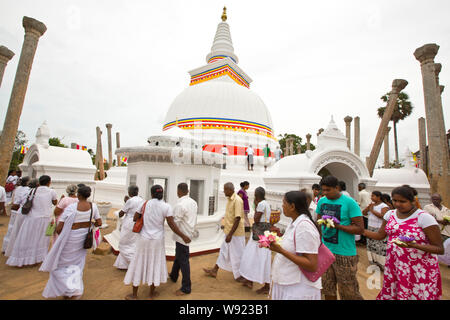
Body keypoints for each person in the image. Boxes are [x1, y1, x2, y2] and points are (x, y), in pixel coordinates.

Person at [363, 186, 443, 300]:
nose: (398, 204)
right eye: (395, 200)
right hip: (394, 266)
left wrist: (414, 245)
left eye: (402, 201)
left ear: (413, 201)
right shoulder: (390, 215)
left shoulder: (424, 218)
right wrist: (361, 231)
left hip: (418, 270)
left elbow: (439, 248)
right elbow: (380, 235)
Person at [124, 185, 190, 300]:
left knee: (138, 263)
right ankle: (151, 294)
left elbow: (135, 218)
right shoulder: (166, 206)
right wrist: (183, 236)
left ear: (152, 194)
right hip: (157, 240)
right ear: (162, 193)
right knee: (155, 264)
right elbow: (172, 224)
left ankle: (134, 295)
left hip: (143, 239)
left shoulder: (144, 204)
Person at [39, 186, 102, 299]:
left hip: (70, 239)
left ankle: (69, 289)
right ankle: (73, 289)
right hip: (83, 239)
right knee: (77, 264)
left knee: (60, 265)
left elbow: (59, 228)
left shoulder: (72, 208)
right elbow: (99, 222)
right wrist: (88, 225)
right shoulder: (94, 207)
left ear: (79, 195)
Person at [316, 176, 364, 300]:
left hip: (345, 253)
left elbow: (359, 228)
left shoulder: (350, 203)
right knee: (327, 288)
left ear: (337, 188)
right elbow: (318, 222)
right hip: (326, 251)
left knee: (349, 291)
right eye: (323, 190)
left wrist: (338, 226)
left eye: (328, 190)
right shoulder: (322, 201)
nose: (325, 193)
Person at [270, 191, 322, 300]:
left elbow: (312, 265)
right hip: (288, 282)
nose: (282, 206)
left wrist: (281, 251)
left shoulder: (304, 227)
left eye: (284, 203)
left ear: (292, 206)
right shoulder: (295, 223)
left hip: (299, 289)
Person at [6, 175, 57, 267]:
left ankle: (23, 258)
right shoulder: (52, 191)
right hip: (45, 218)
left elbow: (22, 202)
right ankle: (39, 258)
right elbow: (55, 202)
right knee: (42, 239)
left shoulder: (31, 190)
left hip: (31, 218)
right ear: (49, 182)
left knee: (27, 237)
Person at [203, 182, 246, 282]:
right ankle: (214, 270)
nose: (224, 191)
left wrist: (230, 234)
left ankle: (241, 275)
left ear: (230, 190)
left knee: (238, 254)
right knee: (223, 251)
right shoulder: (229, 200)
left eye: (225, 189)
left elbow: (237, 218)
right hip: (229, 232)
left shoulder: (237, 201)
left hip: (236, 234)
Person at [239, 187, 272, 294]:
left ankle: (266, 285)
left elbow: (256, 219)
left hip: (259, 235)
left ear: (257, 195)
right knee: (256, 256)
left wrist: (256, 204)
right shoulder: (266, 203)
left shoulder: (261, 204)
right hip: (264, 233)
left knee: (257, 256)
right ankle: (249, 279)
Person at [169, 183, 198, 296]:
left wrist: (183, 236)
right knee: (179, 256)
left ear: (178, 191)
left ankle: (186, 287)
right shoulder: (193, 202)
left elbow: (174, 224)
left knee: (184, 261)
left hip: (182, 236)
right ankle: (174, 275)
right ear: (188, 191)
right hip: (188, 233)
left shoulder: (180, 205)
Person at [113, 185, 144, 270]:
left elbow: (121, 213)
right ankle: (123, 264)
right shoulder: (142, 200)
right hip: (137, 223)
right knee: (132, 243)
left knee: (123, 243)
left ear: (130, 192)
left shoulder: (130, 201)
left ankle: (135, 264)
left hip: (129, 223)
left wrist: (125, 202)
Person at [4, 179, 36, 258]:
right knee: (22, 233)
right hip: (26, 214)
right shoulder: (31, 192)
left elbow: (15, 203)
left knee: (13, 231)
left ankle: (7, 248)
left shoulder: (18, 189)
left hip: (18, 212)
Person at [362, 191, 389, 269]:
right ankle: (373, 261)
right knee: (371, 246)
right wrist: (368, 208)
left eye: (373, 196)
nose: (371, 197)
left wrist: (372, 210)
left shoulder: (383, 206)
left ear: (378, 197)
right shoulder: (372, 205)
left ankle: (382, 264)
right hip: (370, 228)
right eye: (371, 196)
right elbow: (363, 213)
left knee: (380, 247)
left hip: (379, 229)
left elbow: (383, 216)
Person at [2, 177, 30, 253]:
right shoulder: (28, 190)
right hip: (20, 211)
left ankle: (5, 247)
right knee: (17, 231)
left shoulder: (18, 188)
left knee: (11, 229)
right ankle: (12, 249)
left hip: (14, 211)